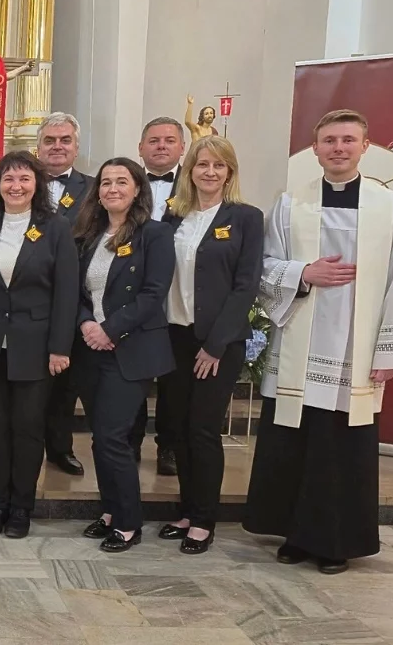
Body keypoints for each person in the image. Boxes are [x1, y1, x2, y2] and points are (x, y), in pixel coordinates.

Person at [244, 109, 393, 574]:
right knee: (294, 439)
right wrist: (303, 273)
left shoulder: (391, 206)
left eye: (348, 140)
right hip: (299, 340)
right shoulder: (291, 204)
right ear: (315, 149)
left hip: (355, 347)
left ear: (365, 146)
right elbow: (263, 266)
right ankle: (293, 534)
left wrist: (390, 350)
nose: (338, 148)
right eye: (329, 140)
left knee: (340, 447)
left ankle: (334, 541)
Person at [156, 136, 262, 555]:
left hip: (217, 342)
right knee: (177, 430)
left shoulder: (246, 218)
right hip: (174, 337)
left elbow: (245, 285)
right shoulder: (174, 216)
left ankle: (204, 519)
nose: (210, 172)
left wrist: (216, 345)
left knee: (202, 430)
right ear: (190, 170)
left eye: (219, 165)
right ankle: (186, 510)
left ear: (229, 172)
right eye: (202, 164)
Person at [0, 151, 79, 539]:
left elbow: (67, 292)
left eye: (24, 179)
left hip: (35, 346)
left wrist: (60, 347)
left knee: (28, 428)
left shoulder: (56, 228)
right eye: (8, 179)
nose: (16, 186)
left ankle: (21, 507)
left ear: (37, 184)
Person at [74, 157, 175, 553]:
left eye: (121, 181)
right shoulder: (88, 235)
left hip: (131, 348)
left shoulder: (155, 234)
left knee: (113, 436)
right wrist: (87, 324)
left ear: (137, 190)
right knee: (100, 438)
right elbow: (75, 291)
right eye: (105, 182)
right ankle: (111, 510)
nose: (112, 188)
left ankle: (129, 522)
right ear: (97, 192)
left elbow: (153, 293)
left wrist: (110, 329)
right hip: (91, 348)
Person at [36, 112, 92, 477]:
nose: (57, 147)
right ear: (38, 147)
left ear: (76, 146)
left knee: (65, 380)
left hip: (76, 295)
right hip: (29, 296)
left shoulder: (94, 188)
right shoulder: (21, 183)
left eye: (65, 140)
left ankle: (59, 447)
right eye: (50, 141)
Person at [134, 116, 186, 477]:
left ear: (182, 147)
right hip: (132, 297)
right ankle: (130, 441)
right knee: (132, 375)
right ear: (141, 148)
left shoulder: (197, 185)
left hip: (177, 296)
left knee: (174, 380)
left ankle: (169, 445)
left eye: (169, 140)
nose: (161, 146)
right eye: (153, 141)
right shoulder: (125, 183)